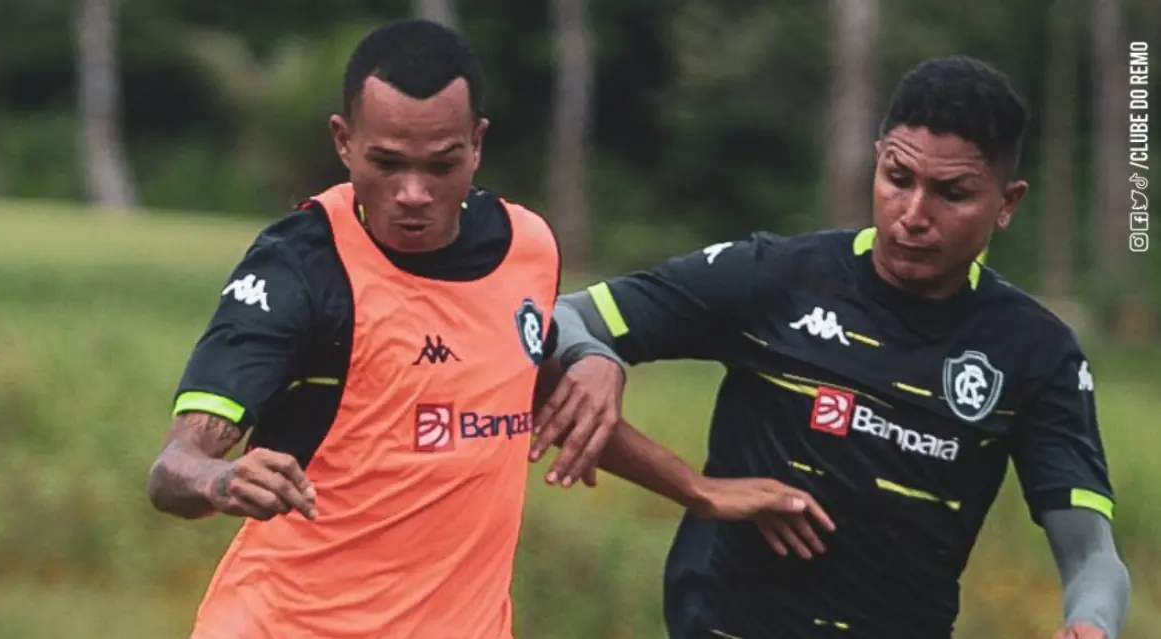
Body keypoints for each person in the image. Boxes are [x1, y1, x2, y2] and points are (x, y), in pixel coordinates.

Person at [145, 19, 817, 639]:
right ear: (343, 142)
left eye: (440, 164)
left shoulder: (526, 246)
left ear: (477, 145)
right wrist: (220, 481)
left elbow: (543, 397)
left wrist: (696, 489)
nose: (413, 192)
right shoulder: (298, 269)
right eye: (386, 163)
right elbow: (174, 468)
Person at [537, 56, 1131, 639]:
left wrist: (1092, 623)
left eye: (952, 194)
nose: (913, 215)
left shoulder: (1036, 351)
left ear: (1007, 203)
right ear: (877, 162)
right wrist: (597, 361)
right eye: (898, 179)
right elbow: (559, 317)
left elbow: (1091, 555)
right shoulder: (771, 277)